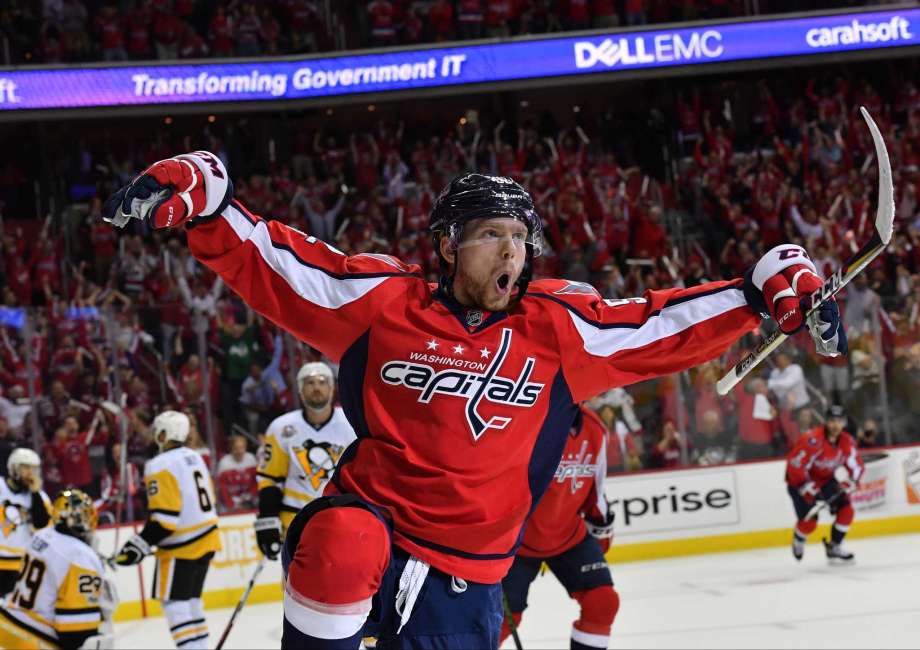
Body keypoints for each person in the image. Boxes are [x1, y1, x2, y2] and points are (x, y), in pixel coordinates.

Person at [102, 152, 847, 648]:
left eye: (520, 238)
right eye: (492, 235)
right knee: (341, 543)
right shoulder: (385, 303)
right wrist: (209, 203)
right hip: (373, 523)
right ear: (450, 244)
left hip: (474, 568)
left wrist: (759, 289)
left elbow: (655, 323)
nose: (511, 252)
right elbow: (283, 264)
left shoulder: (556, 327)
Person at [501, 405, 617, 650]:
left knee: (602, 602)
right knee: (498, 620)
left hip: (568, 534)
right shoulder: (527, 422)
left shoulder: (595, 428)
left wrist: (601, 527)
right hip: (516, 542)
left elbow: (596, 489)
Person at [114, 410, 220, 649]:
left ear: (164, 433)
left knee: (174, 604)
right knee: (192, 601)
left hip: (182, 547)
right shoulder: (195, 457)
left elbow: (165, 520)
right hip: (208, 539)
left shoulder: (159, 464)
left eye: (157, 431)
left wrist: (140, 544)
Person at [254, 362, 356, 560]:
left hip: (340, 517)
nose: (316, 387)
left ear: (332, 388)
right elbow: (270, 478)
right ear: (300, 390)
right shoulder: (281, 428)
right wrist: (267, 520)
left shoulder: (351, 423)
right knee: (296, 588)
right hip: (295, 520)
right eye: (309, 383)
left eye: (322, 382)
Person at [0, 488, 115, 650]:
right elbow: (75, 633)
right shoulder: (79, 556)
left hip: (6, 624)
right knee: (97, 643)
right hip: (33, 637)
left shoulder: (42, 535)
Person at [785, 405, 864, 563]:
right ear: (826, 421)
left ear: (844, 423)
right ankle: (799, 538)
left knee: (846, 511)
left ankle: (834, 547)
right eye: (832, 421)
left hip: (825, 480)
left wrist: (853, 481)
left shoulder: (846, 441)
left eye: (839, 421)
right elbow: (795, 465)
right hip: (798, 483)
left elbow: (855, 464)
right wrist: (806, 486)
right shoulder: (812, 440)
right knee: (810, 523)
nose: (835, 425)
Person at [0, 448, 52, 596]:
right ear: (14, 468)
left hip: (20, 565)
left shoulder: (40, 498)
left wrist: (35, 493)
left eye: (34, 469)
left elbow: (41, 525)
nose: (30, 473)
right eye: (26, 468)